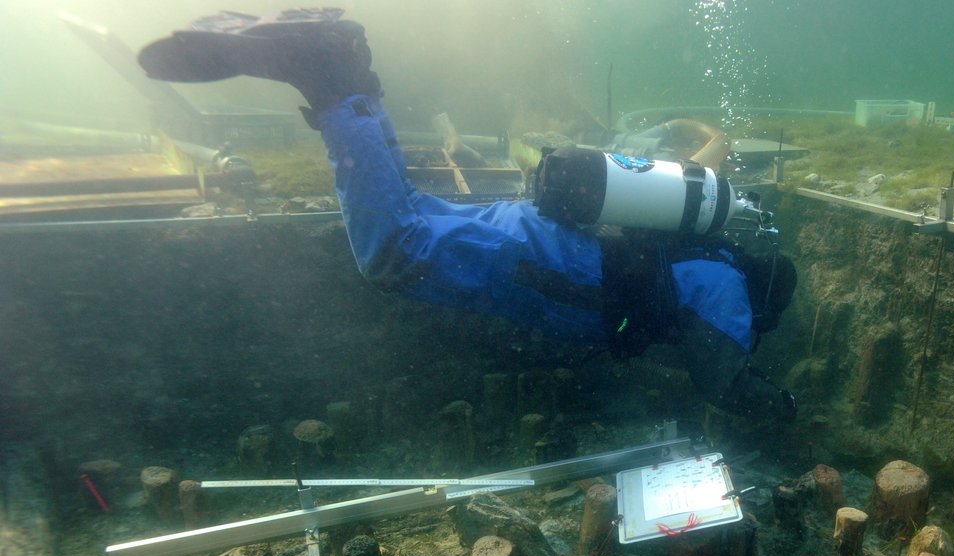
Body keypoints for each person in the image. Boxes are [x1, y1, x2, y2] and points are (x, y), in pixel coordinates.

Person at [139, 9, 797, 423]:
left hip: (538, 238)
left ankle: (345, 77)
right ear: (766, 297)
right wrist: (784, 408)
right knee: (395, 250)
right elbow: (726, 381)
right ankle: (330, 76)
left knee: (410, 212)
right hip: (536, 262)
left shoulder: (706, 245)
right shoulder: (732, 294)